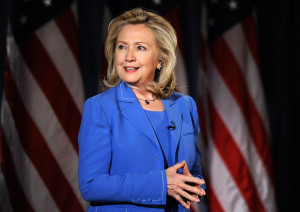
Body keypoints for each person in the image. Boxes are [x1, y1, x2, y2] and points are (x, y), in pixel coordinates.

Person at [78, 8, 206, 212]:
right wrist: (161, 184)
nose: (128, 57)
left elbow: (194, 172)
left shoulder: (185, 105)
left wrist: (193, 185)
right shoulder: (100, 107)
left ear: (160, 60)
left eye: (140, 48)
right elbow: (91, 185)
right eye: (122, 47)